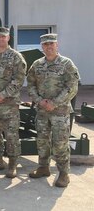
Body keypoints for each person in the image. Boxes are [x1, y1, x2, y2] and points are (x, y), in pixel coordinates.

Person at [27, 33, 79, 187]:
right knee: (42, 141)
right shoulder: (37, 65)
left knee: (60, 142)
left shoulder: (66, 64)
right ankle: (43, 167)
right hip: (42, 111)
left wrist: (54, 103)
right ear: (42, 47)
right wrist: (39, 100)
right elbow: (30, 85)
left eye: (51, 44)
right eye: (45, 44)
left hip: (60, 112)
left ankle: (64, 173)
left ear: (57, 45)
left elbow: (72, 86)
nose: (48, 47)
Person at [0, 27, 27, 178]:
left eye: (3, 36)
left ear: (8, 38)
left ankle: (13, 164)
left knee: (11, 134)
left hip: (9, 104)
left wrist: (2, 95)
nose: (0, 39)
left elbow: (18, 80)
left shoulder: (16, 57)